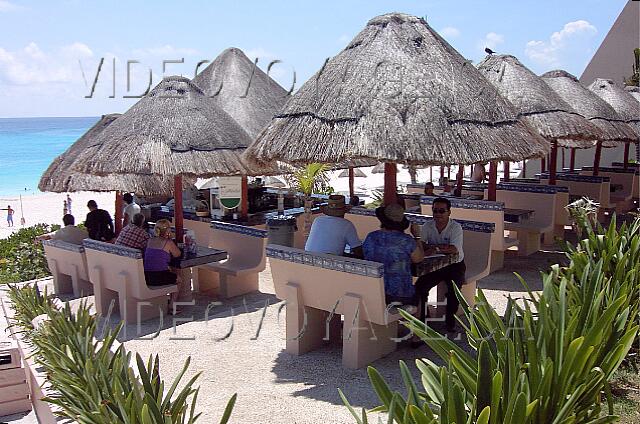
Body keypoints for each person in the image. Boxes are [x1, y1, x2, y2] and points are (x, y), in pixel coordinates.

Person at [412, 197, 465, 332]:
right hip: (434, 265)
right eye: (435, 211)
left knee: (454, 292)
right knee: (420, 288)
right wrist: (433, 247)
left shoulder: (455, 227)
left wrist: (434, 248)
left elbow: (454, 249)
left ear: (449, 212)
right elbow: (422, 244)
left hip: (454, 264)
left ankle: (450, 321)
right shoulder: (427, 226)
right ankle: (423, 318)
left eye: (442, 211)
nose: (438, 214)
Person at [363, 203, 424, 307]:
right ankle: (415, 321)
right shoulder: (406, 240)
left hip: (374, 292)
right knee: (421, 293)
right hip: (400, 295)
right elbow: (419, 259)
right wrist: (417, 236)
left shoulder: (371, 237)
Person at [144, 219, 184, 313]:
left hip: (147, 276)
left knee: (171, 272)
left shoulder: (150, 240)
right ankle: (172, 305)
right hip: (158, 277)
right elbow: (177, 254)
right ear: (168, 230)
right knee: (179, 280)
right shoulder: (168, 242)